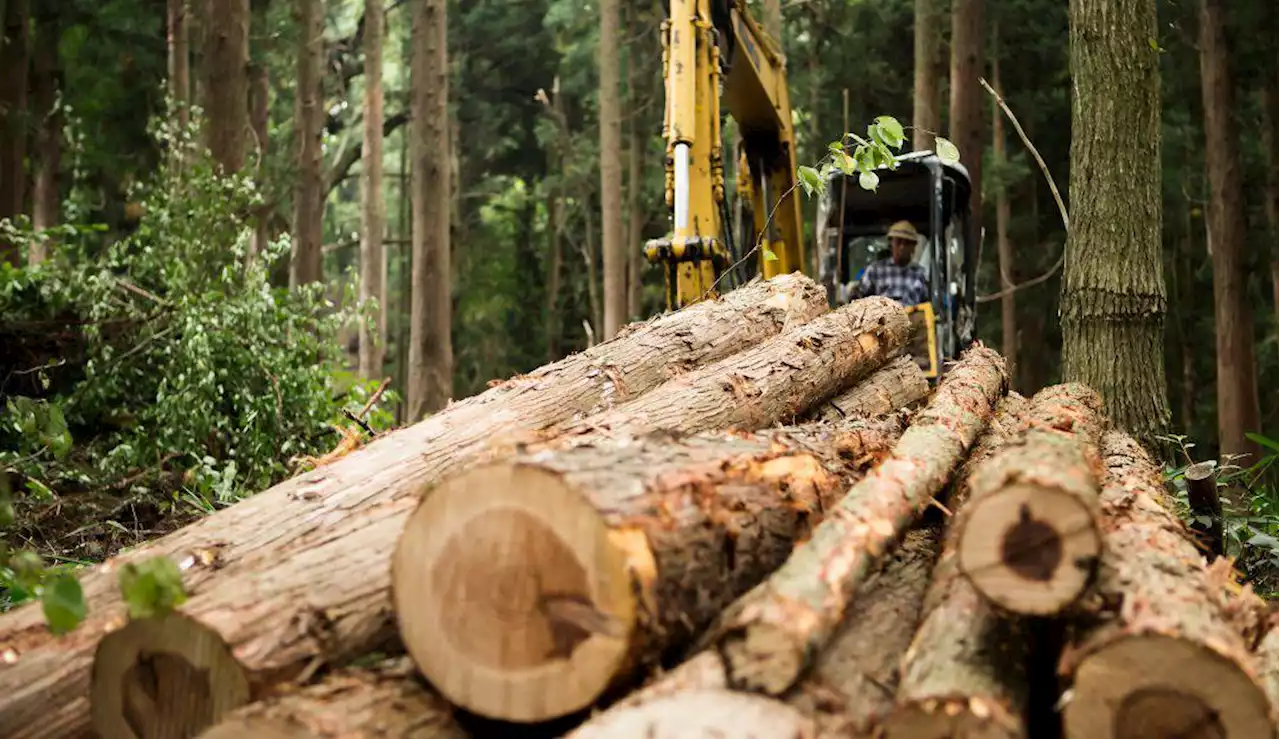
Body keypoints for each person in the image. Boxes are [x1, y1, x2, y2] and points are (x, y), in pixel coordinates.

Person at [851, 220, 929, 307]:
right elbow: (858, 298)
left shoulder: (921, 274)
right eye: (898, 241)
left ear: (914, 247)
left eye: (907, 243)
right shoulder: (875, 270)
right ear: (891, 243)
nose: (902, 247)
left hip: (912, 318)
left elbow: (927, 305)